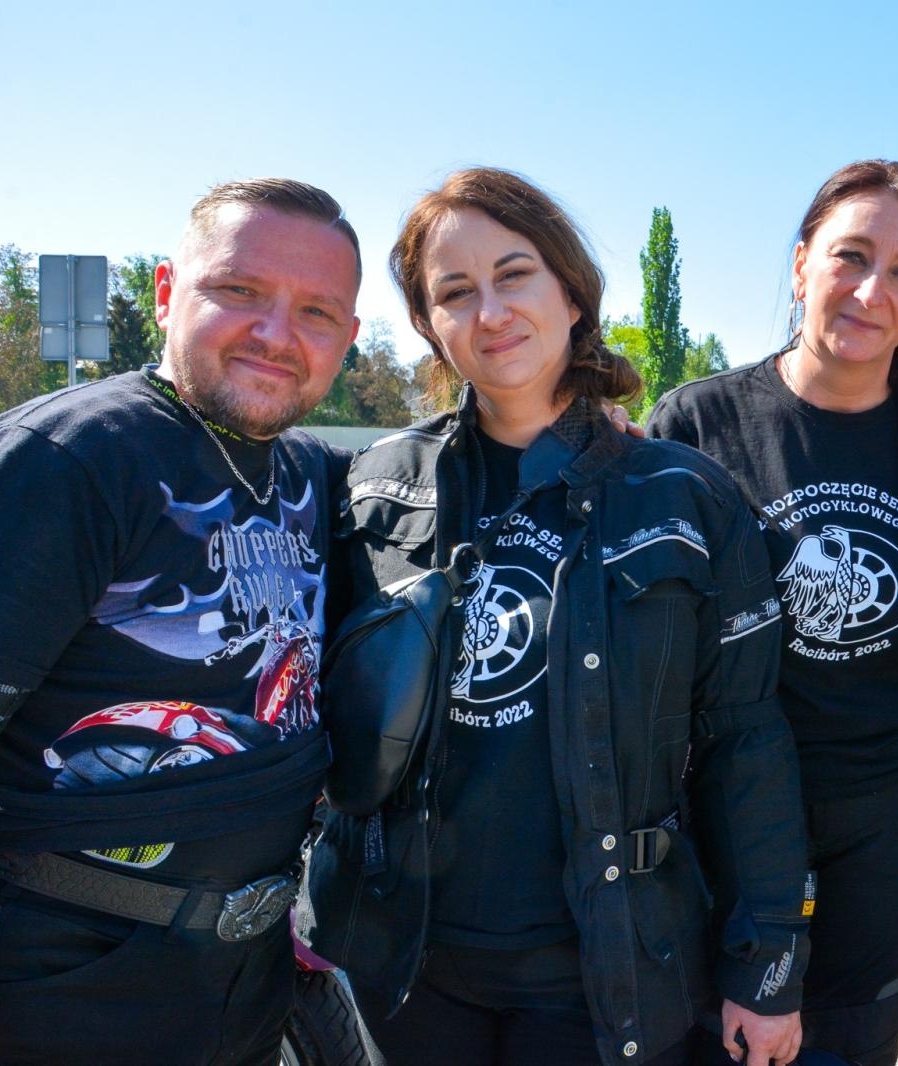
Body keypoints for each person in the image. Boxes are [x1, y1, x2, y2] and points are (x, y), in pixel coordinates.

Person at [302, 167, 812, 1066]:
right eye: (454, 292)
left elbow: (747, 741)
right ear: (428, 324)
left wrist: (767, 957)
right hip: (397, 961)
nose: (490, 310)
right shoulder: (371, 485)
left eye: (515, 274)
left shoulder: (686, 497)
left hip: (599, 969)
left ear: (572, 294)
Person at [0, 177, 362, 1065]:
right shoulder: (67, 459)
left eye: (316, 312)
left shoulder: (309, 476)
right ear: (169, 293)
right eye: (240, 292)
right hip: (66, 983)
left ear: (349, 341)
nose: (277, 334)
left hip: (242, 980)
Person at [647, 160, 898, 1065]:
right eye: (851, 256)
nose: (873, 291)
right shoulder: (695, 425)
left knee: (847, 1049)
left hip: (892, 814)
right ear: (801, 264)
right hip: (725, 804)